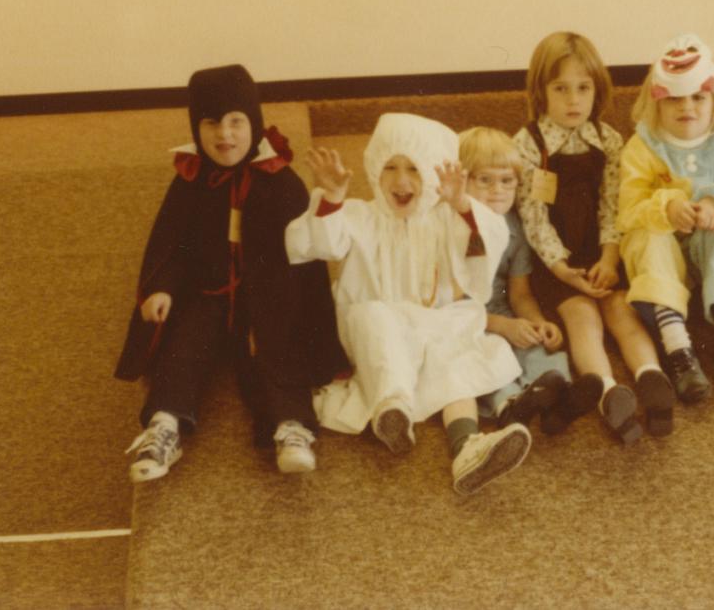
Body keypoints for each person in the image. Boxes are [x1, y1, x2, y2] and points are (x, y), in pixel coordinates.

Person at [114, 64, 346, 482]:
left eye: (236, 121)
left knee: (275, 348)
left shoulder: (279, 179)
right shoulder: (191, 178)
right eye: (212, 123)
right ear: (195, 127)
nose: (225, 135)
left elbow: (306, 256)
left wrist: (297, 310)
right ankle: (165, 424)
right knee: (184, 344)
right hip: (207, 292)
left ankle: (290, 425)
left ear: (253, 122)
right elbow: (170, 242)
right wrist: (161, 287)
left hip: (265, 293)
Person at [286, 112, 532, 495]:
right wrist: (333, 198)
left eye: (415, 170)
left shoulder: (444, 217)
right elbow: (312, 244)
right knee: (373, 317)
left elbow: (485, 243)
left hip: (432, 324)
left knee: (456, 356)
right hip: (378, 330)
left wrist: (461, 203)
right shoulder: (361, 215)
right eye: (390, 167)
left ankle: (467, 445)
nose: (401, 181)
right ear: (374, 169)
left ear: (434, 176)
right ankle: (392, 407)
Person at [514, 32, 676, 442]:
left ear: (597, 90)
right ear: (540, 92)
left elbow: (612, 206)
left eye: (583, 88)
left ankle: (651, 376)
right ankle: (606, 390)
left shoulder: (608, 140)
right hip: (556, 260)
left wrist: (609, 259)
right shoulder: (529, 144)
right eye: (561, 88)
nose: (573, 100)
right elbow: (533, 218)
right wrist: (563, 270)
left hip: (599, 250)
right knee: (583, 318)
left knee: (623, 309)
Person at [618, 34, 714, 408]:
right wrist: (666, 207)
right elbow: (628, 211)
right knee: (647, 235)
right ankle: (678, 351)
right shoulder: (641, 147)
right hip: (663, 259)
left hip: (712, 261)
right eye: (673, 97)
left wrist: (713, 201)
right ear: (656, 102)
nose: (685, 106)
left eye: (697, 97)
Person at [458, 126, 572, 430]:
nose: (498, 190)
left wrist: (536, 323)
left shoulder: (514, 227)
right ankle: (509, 404)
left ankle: (555, 399)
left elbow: (520, 293)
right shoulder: (453, 230)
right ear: (462, 181)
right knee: (486, 355)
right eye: (485, 180)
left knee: (539, 348)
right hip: (461, 318)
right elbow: (451, 303)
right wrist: (501, 326)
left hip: (502, 308)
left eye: (507, 180)